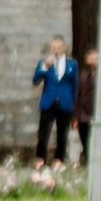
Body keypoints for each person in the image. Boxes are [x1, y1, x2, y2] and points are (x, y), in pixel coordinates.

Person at [31, 36, 76, 165]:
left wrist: (73, 103)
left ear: (64, 48)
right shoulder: (44, 62)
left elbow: (74, 85)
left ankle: (59, 159)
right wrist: (44, 67)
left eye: (59, 47)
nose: (56, 50)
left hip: (64, 102)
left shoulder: (71, 64)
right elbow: (35, 80)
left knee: (62, 132)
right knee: (43, 132)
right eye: (54, 47)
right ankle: (40, 158)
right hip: (48, 101)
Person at [72, 47, 100, 165]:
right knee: (84, 136)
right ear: (86, 60)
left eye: (95, 58)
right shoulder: (82, 75)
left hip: (97, 111)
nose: (93, 61)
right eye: (91, 58)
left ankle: (95, 158)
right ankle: (87, 157)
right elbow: (78, 95)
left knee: (96, 136)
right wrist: (75, 116)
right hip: (83, 113)